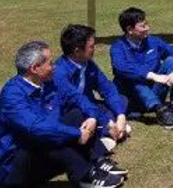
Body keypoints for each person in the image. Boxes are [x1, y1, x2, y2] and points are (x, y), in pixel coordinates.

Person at [0, 41, 127, 188]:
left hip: (44, 156)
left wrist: (93, 117)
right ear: (34, 68)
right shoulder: (12, 95)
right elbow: (37, 128)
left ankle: (97, 160)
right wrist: (77, 133)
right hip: (16, 168)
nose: (55, 66)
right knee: (44, 136)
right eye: (50, 63)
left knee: (77, 115)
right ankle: (85, 175)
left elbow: (77, 98)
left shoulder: (50, 81)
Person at [110, 7, 173, 130]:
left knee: (171, 61)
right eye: (142, 26)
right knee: (132, 78)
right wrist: (153, 76)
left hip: (155, 90)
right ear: (129, 30)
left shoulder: (153, 41)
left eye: (146, 24)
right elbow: (122, 68)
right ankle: (160, 111)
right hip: (134, 97)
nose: (147, 28)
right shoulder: (117, 48)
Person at [54, 24, 130, 152]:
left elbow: (107, 88)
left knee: (121, 100)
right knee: (80, 117)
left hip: (90, 106)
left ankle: (109, 130)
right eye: (91, 46)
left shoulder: (88, 64)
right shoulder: (59, 72)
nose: (95, 48)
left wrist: (121, 115)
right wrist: (108, 122)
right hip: (71, 111)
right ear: (77, 51)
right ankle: (104, 133)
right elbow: (77, 101)